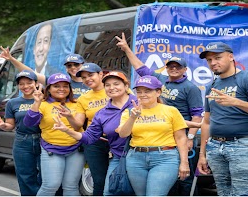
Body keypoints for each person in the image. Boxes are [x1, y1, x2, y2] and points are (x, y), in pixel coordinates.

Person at [114, 32, 203, 195]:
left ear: (185, 69)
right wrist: (127, 49)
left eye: (178, 67)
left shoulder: (191, 88)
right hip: (138, 155)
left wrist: (190, 138)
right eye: (170, 66)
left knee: (184, 181)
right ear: (166, 68)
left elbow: (197, 115)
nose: (174, 69)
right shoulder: (158, 80)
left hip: (174, 140)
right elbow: (141, 68)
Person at [53, 71, 136, 196]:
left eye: (116, 84)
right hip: (119, 157)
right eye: (108, 85)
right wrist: (66, 130)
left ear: (126, 86)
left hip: (141, 156)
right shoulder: (102, 113)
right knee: (109, 191)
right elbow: (89, 137)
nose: (112, 87)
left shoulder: (140, 103)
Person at [197, 42, 248, 196]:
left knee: (243, 192)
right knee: (223, 192)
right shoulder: (212, 86)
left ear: (231, 57)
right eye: (209, 60)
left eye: (218, 57)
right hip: (215, 147)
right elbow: (207, 122)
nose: (213, 63)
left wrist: (235, 102)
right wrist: (202, 155)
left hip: (243, 145)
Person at [117, 76, 190, 196]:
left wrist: (184, 162)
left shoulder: (171, 110)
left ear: (158, 92)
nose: (142, 94)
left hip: (165, 158)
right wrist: (133, 117)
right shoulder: (130, 111)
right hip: (135, 158)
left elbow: (181, 138)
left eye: (147, 91)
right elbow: (123, 134)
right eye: (139, 91)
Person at [24, 73, 84, 196]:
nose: (61, 89)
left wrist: (69, 115)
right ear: (49, 89)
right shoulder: (43, 104)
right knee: (50, 186)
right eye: (56, 86)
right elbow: (29, 123)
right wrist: (36, 102)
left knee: (71, 187)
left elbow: (78, 126)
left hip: (76, 150)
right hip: (52, 149)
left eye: (65, 86)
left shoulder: (77, 102)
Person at [60, 63, 110, 196]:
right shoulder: (83, 98)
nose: (87, 79)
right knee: (99, 180)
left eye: (90, 75)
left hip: (118, 141)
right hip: (95, 142)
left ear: (101, 74)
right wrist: (69, 116)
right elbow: (78, 125)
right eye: (84, 77)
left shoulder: (114, 89)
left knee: (117, 178)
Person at [0, 70, 42, 196]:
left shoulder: (44, 100)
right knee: (25, 176)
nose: (25, 86)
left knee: (46, 176)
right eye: (21, 84)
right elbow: (10, 125)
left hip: (44, 141)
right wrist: (3, 126)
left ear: (36, 83)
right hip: (22, 142)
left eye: (29, 82)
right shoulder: (13, 103)